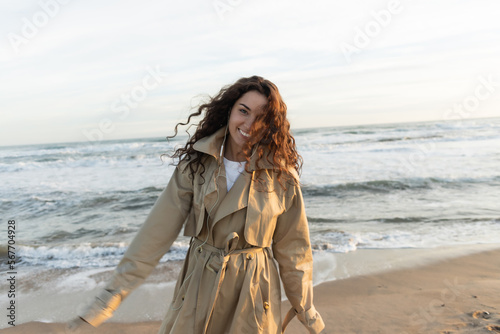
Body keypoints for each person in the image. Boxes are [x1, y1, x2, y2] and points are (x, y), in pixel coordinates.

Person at [68, 76, 325, 333]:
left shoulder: (281, 177)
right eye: (243, 111)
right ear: (229, 110)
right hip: (197, 287)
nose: (249, 124)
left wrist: (308, 313)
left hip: (253, 295)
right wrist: (107, 300)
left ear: (270, 126)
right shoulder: (196, 165)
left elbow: (294, 252)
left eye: (261, 118)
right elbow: (153, 236)